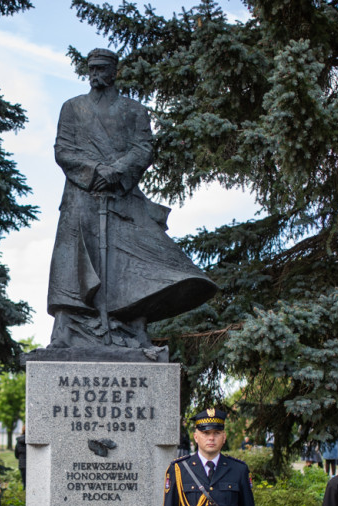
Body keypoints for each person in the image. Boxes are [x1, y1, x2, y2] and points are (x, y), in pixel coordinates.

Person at [47, 48, 216, 350]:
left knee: (133, 260)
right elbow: (63, 149)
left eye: (101, 69)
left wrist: (117, 171)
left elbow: (143, 148)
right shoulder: (72, 108)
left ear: (114, 72)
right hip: (81, 196)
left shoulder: (134, 110)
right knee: (73, 262)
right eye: (91, 69)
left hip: (123, 194)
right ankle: (66, 328)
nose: (95, 74)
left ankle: (132, 324)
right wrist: (96, 171)